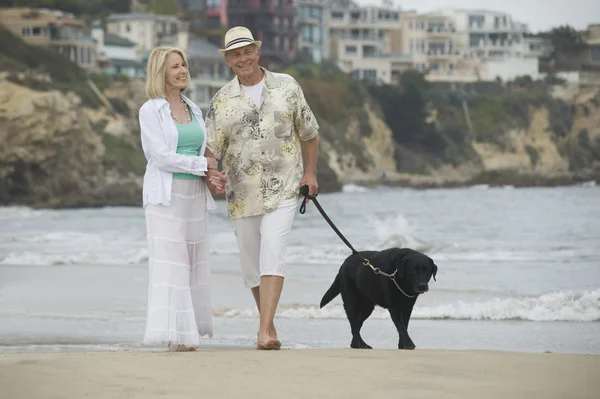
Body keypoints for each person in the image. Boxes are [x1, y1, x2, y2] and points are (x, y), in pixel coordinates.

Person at [204, 27, 319, 350]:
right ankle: (266, 322)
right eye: (235, 54)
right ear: (228, 60)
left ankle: (265, 331)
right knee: (252, 266)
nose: (243, 58)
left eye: (247, 51)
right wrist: (212, 175)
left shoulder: (287, 87)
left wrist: (310, 173)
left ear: (258, 51)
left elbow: (309, 132)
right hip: (242, 193)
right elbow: (211, 151)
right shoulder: (221, 101)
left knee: (273, 250)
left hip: (285, 186)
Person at [138, 46, 226, 352]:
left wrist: (210, 175)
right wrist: (203, 166)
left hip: (194, 196)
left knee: (192, 263)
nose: (182, 70)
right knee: (171, 263)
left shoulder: (194, 109)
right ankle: (179, 335)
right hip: (165, 196)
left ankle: (189, 331)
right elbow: (161, 157)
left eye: (184, 65)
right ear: (160, 72)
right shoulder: (151, 110)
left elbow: (200, 153)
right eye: (175, 66)